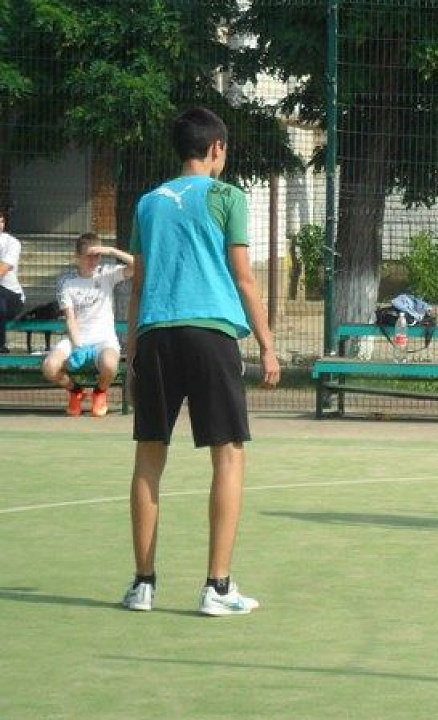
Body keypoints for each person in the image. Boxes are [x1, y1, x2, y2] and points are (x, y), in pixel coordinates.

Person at [121, 107, 281, 617]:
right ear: (216, 150)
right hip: (211, 333)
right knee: (228, 454)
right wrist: (268, 344)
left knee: (150, 456)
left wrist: (131, 353)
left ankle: (143, 584)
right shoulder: (227, 196)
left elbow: (139, 284)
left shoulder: (148, 203)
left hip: (156, 336)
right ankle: (217, 587)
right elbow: (243, 277)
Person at [41, 233, 134, 417]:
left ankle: (100, 392)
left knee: (110, 365)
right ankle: (76, 391)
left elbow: (138, 266)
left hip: (104, 340)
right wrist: (77, 345)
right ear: (77, 257)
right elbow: (70, 318)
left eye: (97, 255)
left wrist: (111, 250)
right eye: (88, 256)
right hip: (77, 340)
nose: (94, 260)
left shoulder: (107, 274)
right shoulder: (65, 282)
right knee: (49, 367)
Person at [0, 208, 24, 353]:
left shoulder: (12, 243)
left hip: (12, 299)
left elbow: (2, 269)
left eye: (1, 220)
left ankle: (0, 344)